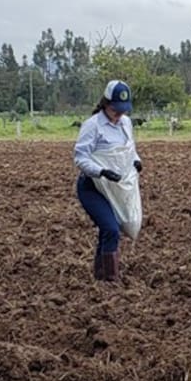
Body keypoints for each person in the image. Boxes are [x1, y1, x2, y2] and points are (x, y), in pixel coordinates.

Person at [74, 80, 141, 282]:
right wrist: (101, 171)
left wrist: (137, 161)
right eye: (115, 110)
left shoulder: (126, 124)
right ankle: (111, 279)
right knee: (110, 228)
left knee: (109, 230)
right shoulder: (92, 126)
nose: (119, 114)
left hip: (117, 187)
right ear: (105, 103)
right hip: (93, 187)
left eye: (123, 110)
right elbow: (80, 157)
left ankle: (100, 275)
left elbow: (129, 149)